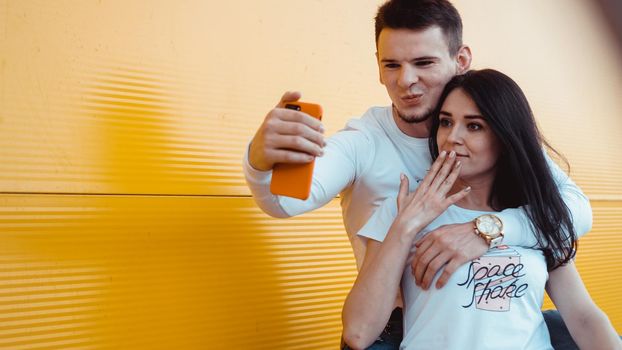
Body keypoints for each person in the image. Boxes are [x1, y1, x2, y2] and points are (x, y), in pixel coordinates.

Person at [243, 0, 592, 348]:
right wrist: (259, 160)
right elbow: (284, 202)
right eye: (391, 65)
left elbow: (576, 209)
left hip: (482, 310)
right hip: (390, 324)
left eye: (423, 63)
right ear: (378, 69)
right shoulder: (364, 141)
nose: (406, 81)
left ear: (462, 60)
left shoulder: (496, 133)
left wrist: (485, 230)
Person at [342, 69, 621, 350]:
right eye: (446, 122)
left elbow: (584, 318)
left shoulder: (533, 218)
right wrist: (405, 227)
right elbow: (358, 333)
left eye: (474, 126)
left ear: (505, 136)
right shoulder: (403, 208)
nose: (452, 137)